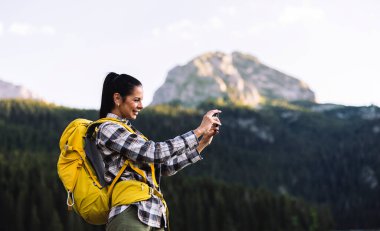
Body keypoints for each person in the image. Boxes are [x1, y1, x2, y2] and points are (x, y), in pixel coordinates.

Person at [96, 72, 221, 231]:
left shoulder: (130, 133)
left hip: (154, 218)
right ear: (117, 98)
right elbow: (155, 153)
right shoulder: (108, 128)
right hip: (130, 213)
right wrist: (198, 131)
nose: (141, 105)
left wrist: (201, 143)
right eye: (136, 100)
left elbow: (164, 167)